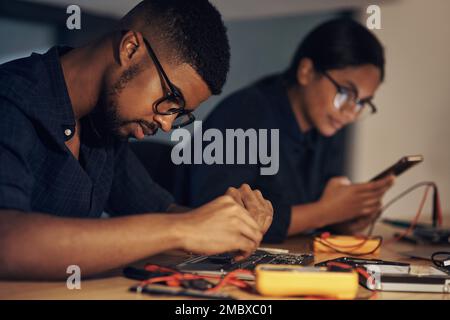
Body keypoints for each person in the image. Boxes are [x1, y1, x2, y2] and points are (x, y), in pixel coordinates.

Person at [0, 0, 273, 280]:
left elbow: (159, 211)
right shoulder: (10, 98)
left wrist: (226, 221)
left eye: (179, 113)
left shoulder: (105, 126)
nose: (167, 124)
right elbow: (7, 243)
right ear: (130, 48)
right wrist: (185, 229)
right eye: (171, 99)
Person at [188, 18, 394, 243]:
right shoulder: (244, 113)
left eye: (362, 103)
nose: (350, 112)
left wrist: (344, 218)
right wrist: (326, 212)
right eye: (345, 93)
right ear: (306, 71)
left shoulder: (326, 125)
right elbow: (217, 216)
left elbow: (318, 210)